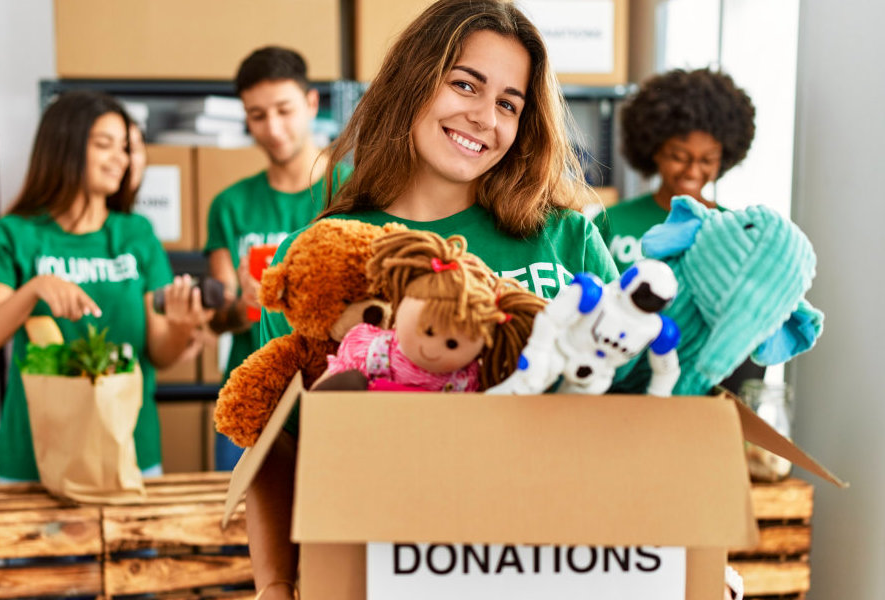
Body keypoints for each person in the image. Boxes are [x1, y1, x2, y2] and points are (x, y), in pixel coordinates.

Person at [245, 1, 618, 596]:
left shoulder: (565, 238)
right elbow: (277, 445)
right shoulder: (320, 255)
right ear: (413, 82)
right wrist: (273, 584)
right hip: (372, 568)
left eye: (507, 104)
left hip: (544, 566)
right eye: (465, 84)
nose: (482, 117)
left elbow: (632, 411)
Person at [0, 90, 212, 481]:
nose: (122, 159)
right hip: (36, 458)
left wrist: (182, 326)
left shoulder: (137, 234)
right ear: (64, 145)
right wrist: (34, 289)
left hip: (128, 452)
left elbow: (161, 355)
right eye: (105, 145)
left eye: (126, 148)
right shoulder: (15, 234)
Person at [204, 46, 351, 471]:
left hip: (332, 391)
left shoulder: (353, 190)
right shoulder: (229, 205)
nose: (273, 127)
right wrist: (242, 304)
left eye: (284, 110)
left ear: (310, 104)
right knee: (239, 532)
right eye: (257, 115)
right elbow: (219, 319)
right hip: (252, 395)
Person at [595, 67, 756, 272]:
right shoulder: (611, 223)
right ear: (654, 149)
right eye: (679, 157)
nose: (693, 172)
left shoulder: (734, 229)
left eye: (707, 160)